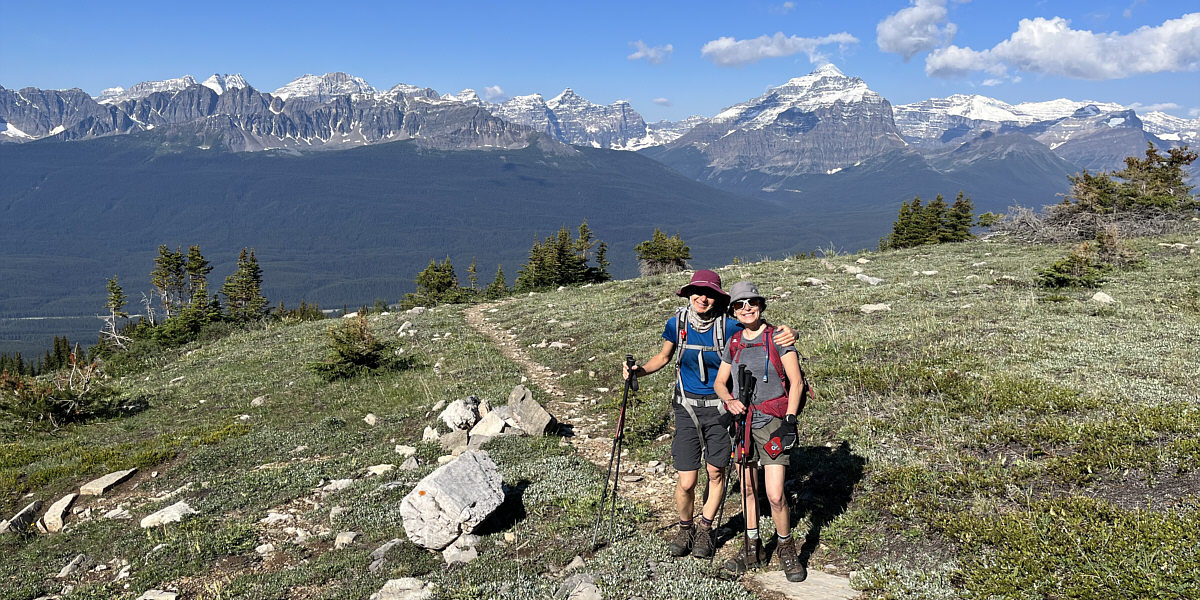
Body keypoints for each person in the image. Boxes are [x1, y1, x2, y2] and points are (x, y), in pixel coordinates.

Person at [622, 270, 794, 560]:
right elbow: (664, 357)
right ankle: (685, 526)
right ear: (689, 294)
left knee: (716, 471)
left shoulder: (728, 326)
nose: (703, 298)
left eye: (709, 293)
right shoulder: (676, 323)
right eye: (697, 292)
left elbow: (759, 330)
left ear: (718, 298)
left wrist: (789, 332)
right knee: (687, 480)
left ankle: (705, 527)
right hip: (686, 407)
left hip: (720, 410)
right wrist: (638, 371)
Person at [716, 280, 807, 582]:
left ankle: (785, 546)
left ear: (761, 305)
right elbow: (720, 382)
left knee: (776, 494)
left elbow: (797, 383)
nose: (746, 308)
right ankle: (752, 546)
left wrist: (790, 420)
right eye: (740, 305)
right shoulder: (734, 343)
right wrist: (729, 401)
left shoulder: (779, 338)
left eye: (751, 302)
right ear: (733, 311)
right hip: (743, 424)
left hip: (772, 423)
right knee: (746, 489)